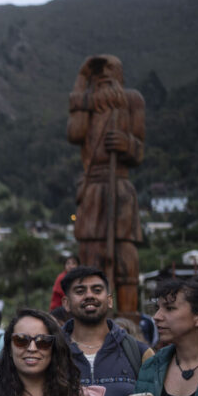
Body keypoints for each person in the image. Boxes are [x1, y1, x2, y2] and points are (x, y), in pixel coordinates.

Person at [67, 54, 145, 314]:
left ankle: (128, 319)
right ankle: (90, 316)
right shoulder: (87, 106)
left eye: (108, 69)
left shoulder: (132, 100)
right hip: (92, 187)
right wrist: (81, 78)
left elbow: (139, 150)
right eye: (96, 73)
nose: (103, 76)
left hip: (119, 185)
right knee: (90, 254)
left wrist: (127, 143)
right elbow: (74, 133)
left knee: (125, 258)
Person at [60, 266, 153, 396]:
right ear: (66, 303)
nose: (89, 295)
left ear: (109, 300)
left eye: (97, 290)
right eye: (80, 291)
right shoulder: (51, 352)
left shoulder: (140, 353)